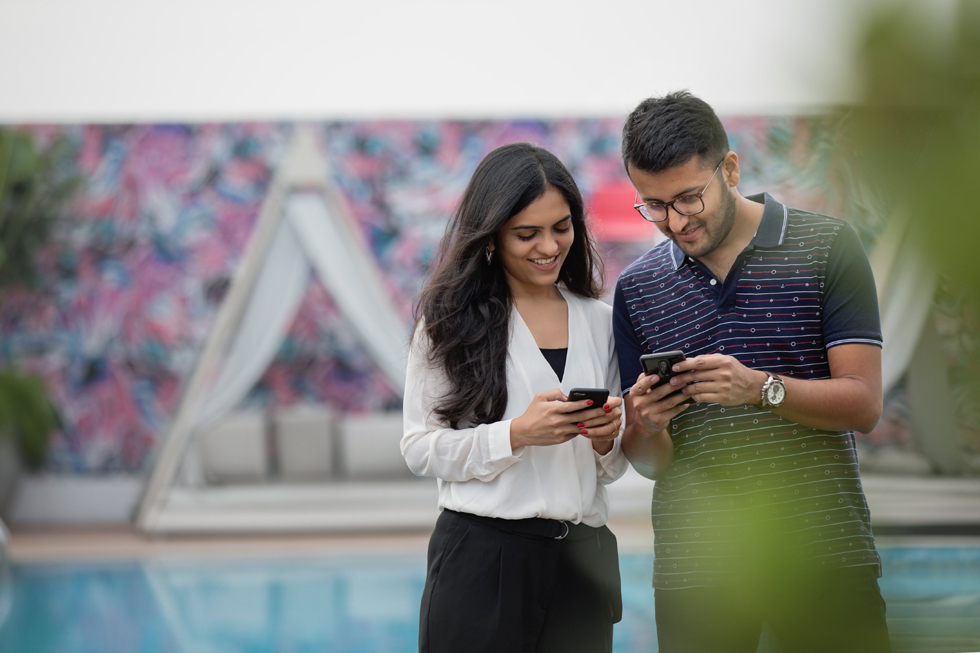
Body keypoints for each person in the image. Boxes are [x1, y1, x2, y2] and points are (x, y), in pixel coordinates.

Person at [614, 92, 892, 653]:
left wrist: (760, 389)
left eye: (690, 197)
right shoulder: (637, 289)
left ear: (731, 169)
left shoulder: (828, 248)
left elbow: (864, 404)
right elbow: (649, 465)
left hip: (822, 554)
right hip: (697, 570)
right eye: (655, 205)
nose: (675, 221)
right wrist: (645, 424)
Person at [401, 142, 629, 653]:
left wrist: (605, 440)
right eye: (527, 234)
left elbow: (612, 469)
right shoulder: (446, 325)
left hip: (582, 567)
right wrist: (516, 434)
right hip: (483, 560)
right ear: (491, 237)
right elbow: (418, 447)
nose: (549, 247)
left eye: (562, 227)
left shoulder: (600, 321)